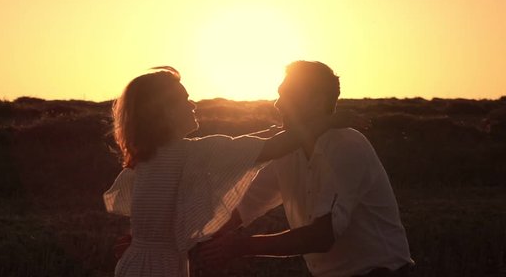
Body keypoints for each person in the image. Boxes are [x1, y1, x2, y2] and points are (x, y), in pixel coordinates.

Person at [103, 66, 364, 277]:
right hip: (163, 269)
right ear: (163, 112)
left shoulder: (143, 161)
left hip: (133, 263)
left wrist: (142, 243)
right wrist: (330, 121)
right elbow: (270, 147)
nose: (193, 105)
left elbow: (153, 216)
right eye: (184, 100)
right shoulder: (191, 153)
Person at [197, 61, 414, 277]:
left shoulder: (346, 145)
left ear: (317, 101)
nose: (278, 105)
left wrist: (241, 246)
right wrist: (199, 242)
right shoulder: (289, 149)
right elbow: (244, 206)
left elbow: (322, 236)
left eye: (288, 95)